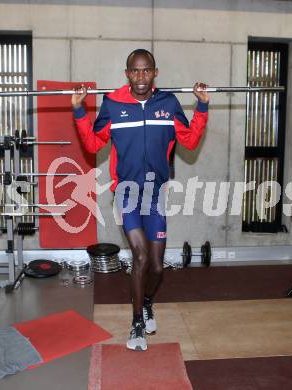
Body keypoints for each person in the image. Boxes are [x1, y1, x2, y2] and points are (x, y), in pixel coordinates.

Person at [72, 49, 209, 351]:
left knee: (157, 267)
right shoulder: (113, 104)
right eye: (135, 71)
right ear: (127, 74)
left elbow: (189, 140)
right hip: (128, 194)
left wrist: (201, 105)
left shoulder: (168, 103)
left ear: (155, 73)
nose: (141, 77)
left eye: (146, 71)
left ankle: (146, 302)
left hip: (155, 193)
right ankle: (136, 324)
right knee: (140, 257)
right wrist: (80, 111)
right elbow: (93, 142)